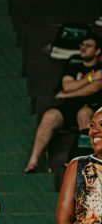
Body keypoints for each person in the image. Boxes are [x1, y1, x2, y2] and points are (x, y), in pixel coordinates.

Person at [25, 33, 102, 173]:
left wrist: (68, 94)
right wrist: (90, 78)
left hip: (91, 107)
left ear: (97, 51)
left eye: (88, 46)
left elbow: (94, 89)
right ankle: (33, 161)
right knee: (50, 116)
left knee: (84, 114)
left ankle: (83, 161)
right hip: (69, 108)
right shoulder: (73, 63)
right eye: (82, 45)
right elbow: (67, 86)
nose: (83, 48)